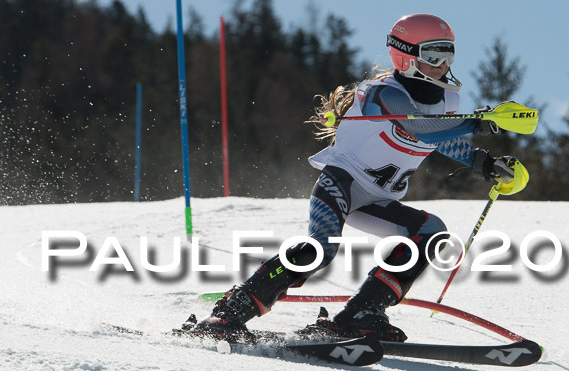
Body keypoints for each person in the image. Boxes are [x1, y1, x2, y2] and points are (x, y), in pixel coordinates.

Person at [189, 13, 528, 342]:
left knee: (432, 233)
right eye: (433, 54)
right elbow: (417, 126)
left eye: (448, 53)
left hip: (378, 200)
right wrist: (481, 122)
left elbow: (440, 137)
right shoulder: (383, 93)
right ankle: (230, 312)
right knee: (319, 250)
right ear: (406, 57)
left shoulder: (446, 102)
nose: (443, 63)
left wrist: (485, 163)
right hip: (341, 185)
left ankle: (363, 312)